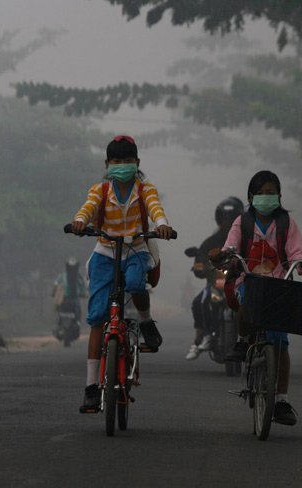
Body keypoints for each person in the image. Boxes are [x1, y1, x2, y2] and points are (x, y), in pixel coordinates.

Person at [71, 135, 174, 412]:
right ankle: (91, 387)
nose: (122, 166)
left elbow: (156, 210)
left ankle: (146, 321)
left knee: (136, 283)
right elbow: (87, 208)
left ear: (137, 163)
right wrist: (80, 221)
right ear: (108, 164)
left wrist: (162, 225)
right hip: (105, 252)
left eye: (128, 161)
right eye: (116, 161)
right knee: (96, 317)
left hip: (136, 249)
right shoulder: (100, 191)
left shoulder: (145, 190)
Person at [209, 170, 302, 426]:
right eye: (262, 193)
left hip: (279, 284)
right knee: (247, 302)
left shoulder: (286, 224)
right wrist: (220, 256)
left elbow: (297, 252)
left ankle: (281, 400)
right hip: (247, 280)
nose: (267, 197)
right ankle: (243, 340)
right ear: (251, 196)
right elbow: (229, 249)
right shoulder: (242, 222)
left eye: (272, 193)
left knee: (281, 344)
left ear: (279, 196)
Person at [185, 197, 244, 360]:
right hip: (215, 284)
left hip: (240, 284)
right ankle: (203, 335)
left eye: (231, 219)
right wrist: (199, 265)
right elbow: (200, 261)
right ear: (219, 219)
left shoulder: (247, 239)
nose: (228, 222)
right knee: (199, 302)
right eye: (225, 218)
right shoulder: (210, 241)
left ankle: (259, 340)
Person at [52, 257, 87, 324]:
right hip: (70, 299)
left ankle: (75, 322)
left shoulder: (62, 276)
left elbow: (55, 285)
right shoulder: (76, 277)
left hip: (67, 299)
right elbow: (82, 288)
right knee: (78, 309)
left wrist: (53, 293)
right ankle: (76, 322)